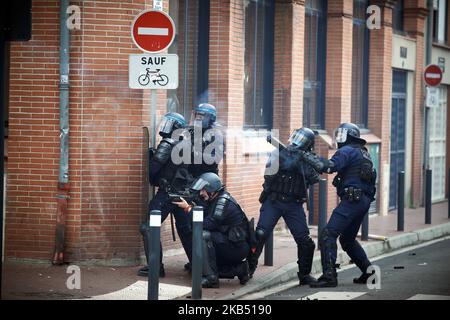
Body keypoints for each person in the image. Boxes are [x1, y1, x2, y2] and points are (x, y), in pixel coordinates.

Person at [298, 123, 377, 288]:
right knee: (347, 239)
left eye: (342, 134)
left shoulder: (346, 151)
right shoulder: (363, 153)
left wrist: (306, 155)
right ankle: (369, 273)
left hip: (352, 201)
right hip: (363, 202)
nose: (339, 138)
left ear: (350, 136)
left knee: (328, 234)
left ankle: (329, 277)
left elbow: (328, 167)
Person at [247, 127, 320, 286]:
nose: (297, 141)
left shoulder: (308, 158)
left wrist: (301, 162)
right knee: (260, 234)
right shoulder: (279, 152)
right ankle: (248, 268)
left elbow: (314, 177)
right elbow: (268, 173)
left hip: (294, 205)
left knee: (305, 241)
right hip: (274, 201)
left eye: (302, 139)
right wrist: (283, 158)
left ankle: (304, 275)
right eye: (297, 137)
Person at [138, 112, 194, 277]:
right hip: (182, 195)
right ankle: (198, 265)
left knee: (148, 227)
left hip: (167, 194)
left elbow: (153, 170)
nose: (164, 126)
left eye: (168, 123)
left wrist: (151, 160)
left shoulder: (168, 143)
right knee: (186, 230)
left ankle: (156, 268)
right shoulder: (186, 144)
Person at [174, 172, 251, 288]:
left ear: (211, 190)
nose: (201, 193)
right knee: (203, 244)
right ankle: (240, 269)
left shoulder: (222, 203)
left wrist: (188, 209)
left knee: (204, 235)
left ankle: (212, 279)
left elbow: (206, 224)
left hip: (236, 247)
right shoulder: (214, 199)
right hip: (229, 242)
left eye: (203, 190)